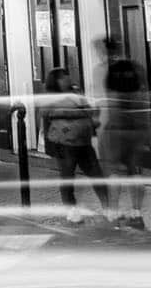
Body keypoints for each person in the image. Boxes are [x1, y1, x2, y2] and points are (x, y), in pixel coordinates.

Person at [40, 67, 109, 223]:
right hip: (64, 143)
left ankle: (107, 207)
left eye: (67, 76)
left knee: (96, 174)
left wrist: (94, 118)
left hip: (83, 142)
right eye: (64, 77)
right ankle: (72, 211)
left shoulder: (76, 94)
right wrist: (48, 145)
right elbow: (45, 119)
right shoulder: (50, 99)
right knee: (67, 176)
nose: (68, 79)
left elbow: (89, 111)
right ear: (56, 81)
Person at [101, 56, 148, 229]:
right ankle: (136, 213)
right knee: (134, 172)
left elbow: (112, 113)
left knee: (114, 171)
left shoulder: (113, 93)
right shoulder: (139, 93)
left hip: (116, 132)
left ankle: (113, 212)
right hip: (137, 132)